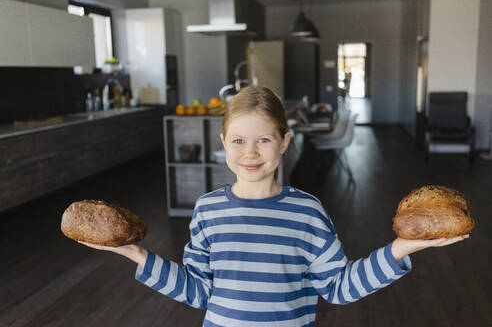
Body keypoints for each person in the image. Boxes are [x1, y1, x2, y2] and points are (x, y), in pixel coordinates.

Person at [79, 86, 469, 326]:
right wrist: (136, 254)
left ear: (284, 141)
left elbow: (337, 288)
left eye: (263, 140)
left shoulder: (308, 211)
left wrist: (401, 249)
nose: (250, 152)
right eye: (238, 141)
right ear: (222, 142)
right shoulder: (207, 211)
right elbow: (198, 292)